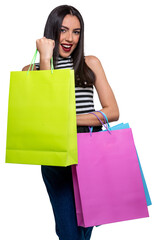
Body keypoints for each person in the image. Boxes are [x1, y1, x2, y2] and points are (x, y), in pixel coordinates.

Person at [22, 5, 119, 240]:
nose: (69, 38)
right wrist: (46, 58)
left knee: (85, 227)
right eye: (63, 30)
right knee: (68, 231)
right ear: (51, 32)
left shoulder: (90, 63)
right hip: (56, 152)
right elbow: (46, 111)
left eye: (76, 32)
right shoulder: (31, 71)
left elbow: (112, 111)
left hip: (90, 146)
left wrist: (70, 119)